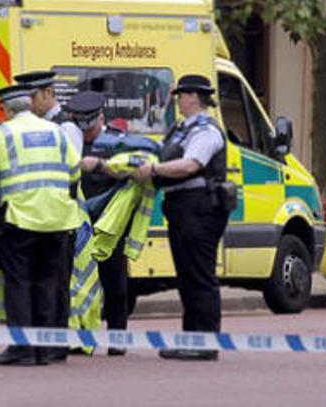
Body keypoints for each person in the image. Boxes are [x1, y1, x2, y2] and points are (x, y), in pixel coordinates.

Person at [0, 84, 84, 366]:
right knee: (48, 283)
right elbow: (75, 171)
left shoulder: (4, 133)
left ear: (7, 109)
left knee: (19, 284)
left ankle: (23, 348)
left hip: (21, 220)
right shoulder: (56, 132)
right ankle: (47, 348)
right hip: (58, 219)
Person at [133, 74, 229, 361]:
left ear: (194, 97)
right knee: (186, 278)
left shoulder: (206, 130)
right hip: (181, 208)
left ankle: (206, 343)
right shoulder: (180, 128)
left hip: (200, 208)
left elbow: (190, 165)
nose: (178, 100)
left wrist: (153, 170)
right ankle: (190, 339)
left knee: (200, 277)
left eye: (182, 95)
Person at [13, 70, 81, 362]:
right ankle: (42, 344)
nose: (28, 103)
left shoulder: (65, 127)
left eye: (32, 96)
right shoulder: (39, 126)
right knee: (41, 283)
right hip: (37, 216)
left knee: (55, 284)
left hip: (59, 217)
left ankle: (55, 345)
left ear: (47, 94)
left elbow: (72, 175)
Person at [66, 91, 130, 356]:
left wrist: (101, 165)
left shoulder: (117, 142)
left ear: (100, 118)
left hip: (108, 227)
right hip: (78, 226)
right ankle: (81, 339)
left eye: (90, 127)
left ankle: (118, 339)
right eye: (81, 127)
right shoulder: (71, 140)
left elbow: (133, 171)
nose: (86, 134)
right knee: (78, 286)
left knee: (114, 284)